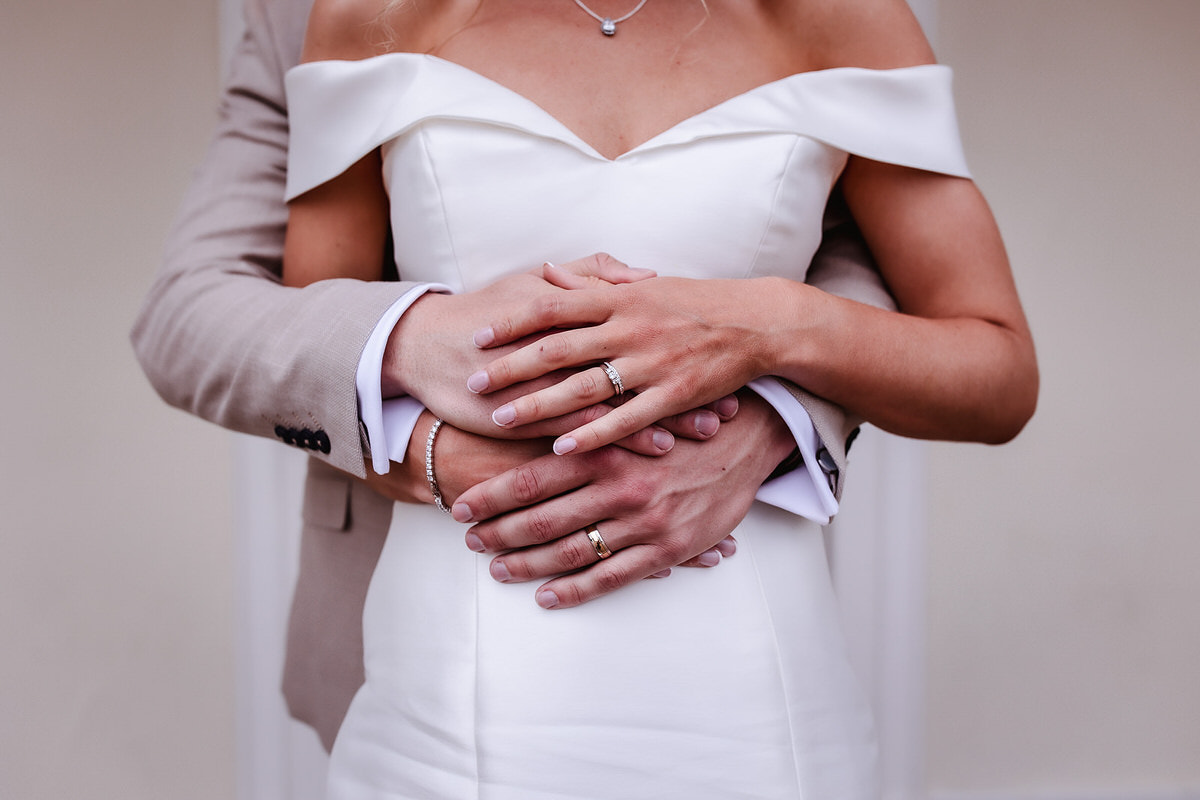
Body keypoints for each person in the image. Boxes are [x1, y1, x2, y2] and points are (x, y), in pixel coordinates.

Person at [277, 0, 1037, 796]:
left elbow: (997, 373)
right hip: (448, 675)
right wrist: (445, 456)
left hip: (751, 685)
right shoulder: (377, 14)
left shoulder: (841, 18)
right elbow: (314, 352)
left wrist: (772, 326)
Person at [131, 0, 897, 756]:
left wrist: (772, 412)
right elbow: (190, 308)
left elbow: (873, 272)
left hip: (736, 617)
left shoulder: (827, 22)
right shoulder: (325, 16)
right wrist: (416, 356)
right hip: (429, 623)